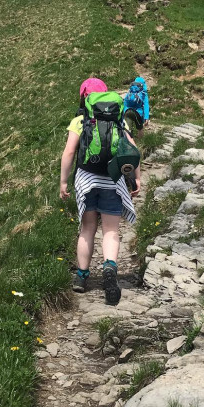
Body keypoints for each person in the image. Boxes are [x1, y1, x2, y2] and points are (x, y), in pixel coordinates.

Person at [60, 78, 141, 305]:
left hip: (86, 180)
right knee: (111, 231)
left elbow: (68, 153)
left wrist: (63, 182)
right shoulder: (118, 120)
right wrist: (137, 178)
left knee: (87, 228)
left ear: (85, 96)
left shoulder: (80, 120)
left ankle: (82, 276)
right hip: (112, 180)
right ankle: (110, 268)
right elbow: (132, 150)